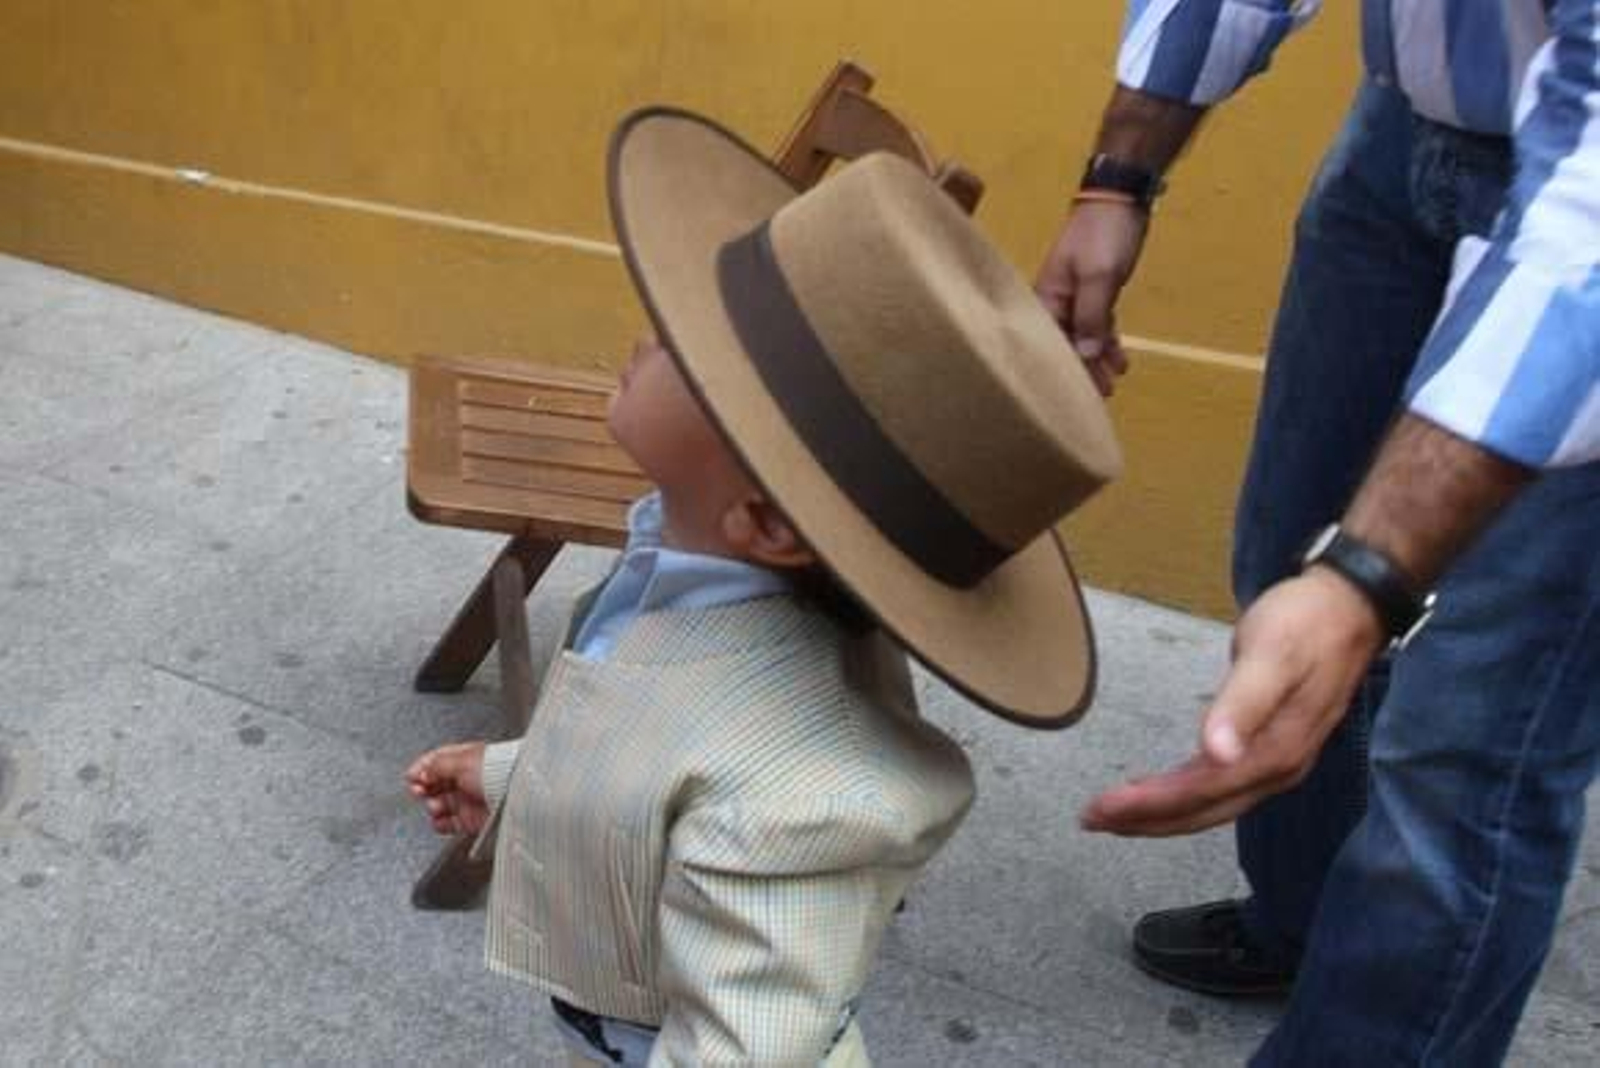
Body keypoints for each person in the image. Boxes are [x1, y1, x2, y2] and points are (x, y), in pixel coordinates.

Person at [407, 107, 1122, 1066]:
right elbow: (645, 739)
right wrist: (514, 778)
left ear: (769, 521)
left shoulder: (794, 801)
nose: (654, 326)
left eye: (695, 342)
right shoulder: (697, 573)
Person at [1037, 1, 1600, 1063]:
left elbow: (1588, 242)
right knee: (1282, 568)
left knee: (1471, 743)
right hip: (1399, 134)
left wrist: (1368, 578)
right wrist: (1116, 179)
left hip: (1580, 207)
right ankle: (1309, 922)